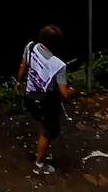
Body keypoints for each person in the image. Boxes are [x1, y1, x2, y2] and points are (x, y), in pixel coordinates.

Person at [20, 24, 71, 176]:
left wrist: (19, 82)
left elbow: (23, 66)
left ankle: (41, 151)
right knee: (50, 131)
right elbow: (65, 93)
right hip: (45, 101)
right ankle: (39, 164)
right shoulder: (58, 65)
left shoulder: (31, 47)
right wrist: (73, 91)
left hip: (30, 95)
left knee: (43, 126)